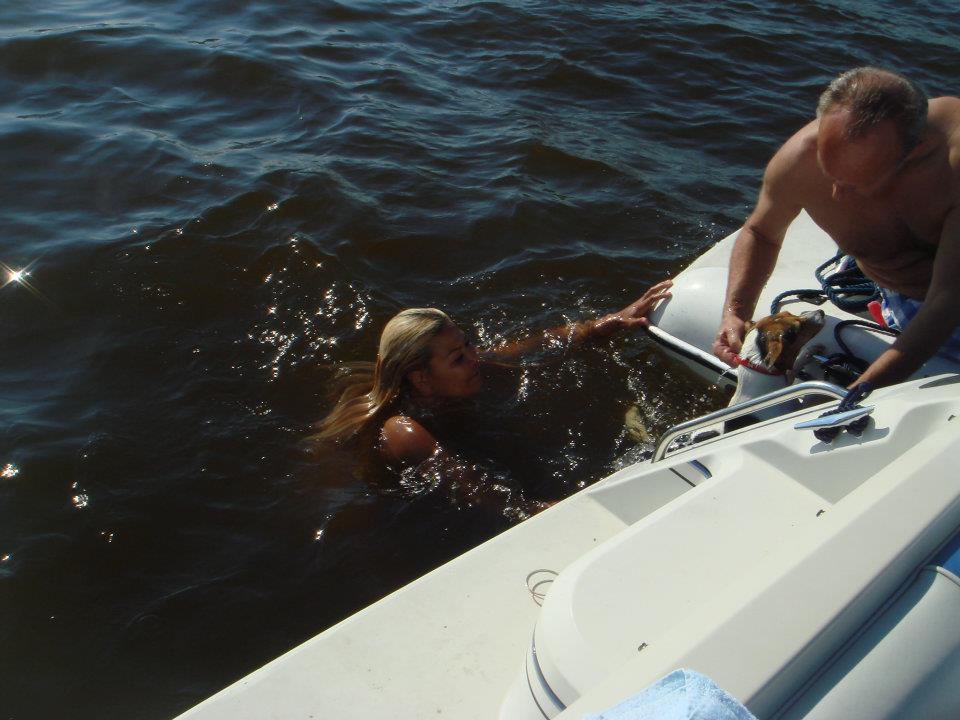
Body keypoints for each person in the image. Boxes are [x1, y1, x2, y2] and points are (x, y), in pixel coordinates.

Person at [713, 67, 960, 388]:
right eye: (828, 172)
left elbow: (948, 298)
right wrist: (734, 312)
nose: (836, 194)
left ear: (912, 154)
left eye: (856, 183)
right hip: (900, 291)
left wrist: (862, 390)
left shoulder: (952, 167)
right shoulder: (799, 159)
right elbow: (760, 233)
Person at [313, 280, 672, 470]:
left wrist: (610, 322)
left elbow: (543, 343)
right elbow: (483, 494)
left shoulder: (468, 364)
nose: (474, 358)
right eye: (458, 358)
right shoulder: (402, 432)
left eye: (467, 344)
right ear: (421, 378)